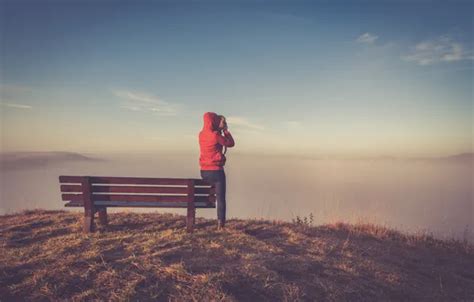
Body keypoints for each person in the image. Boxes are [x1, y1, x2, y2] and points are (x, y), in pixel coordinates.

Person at [198, 112, 235, 230]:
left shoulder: (201, 135)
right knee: (220, 197)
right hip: (216, 171)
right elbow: (230, 143)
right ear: (213, 122)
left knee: (211, 193)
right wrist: (225, 130)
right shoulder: (215, 135)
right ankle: (220, 224)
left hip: (204, 171)